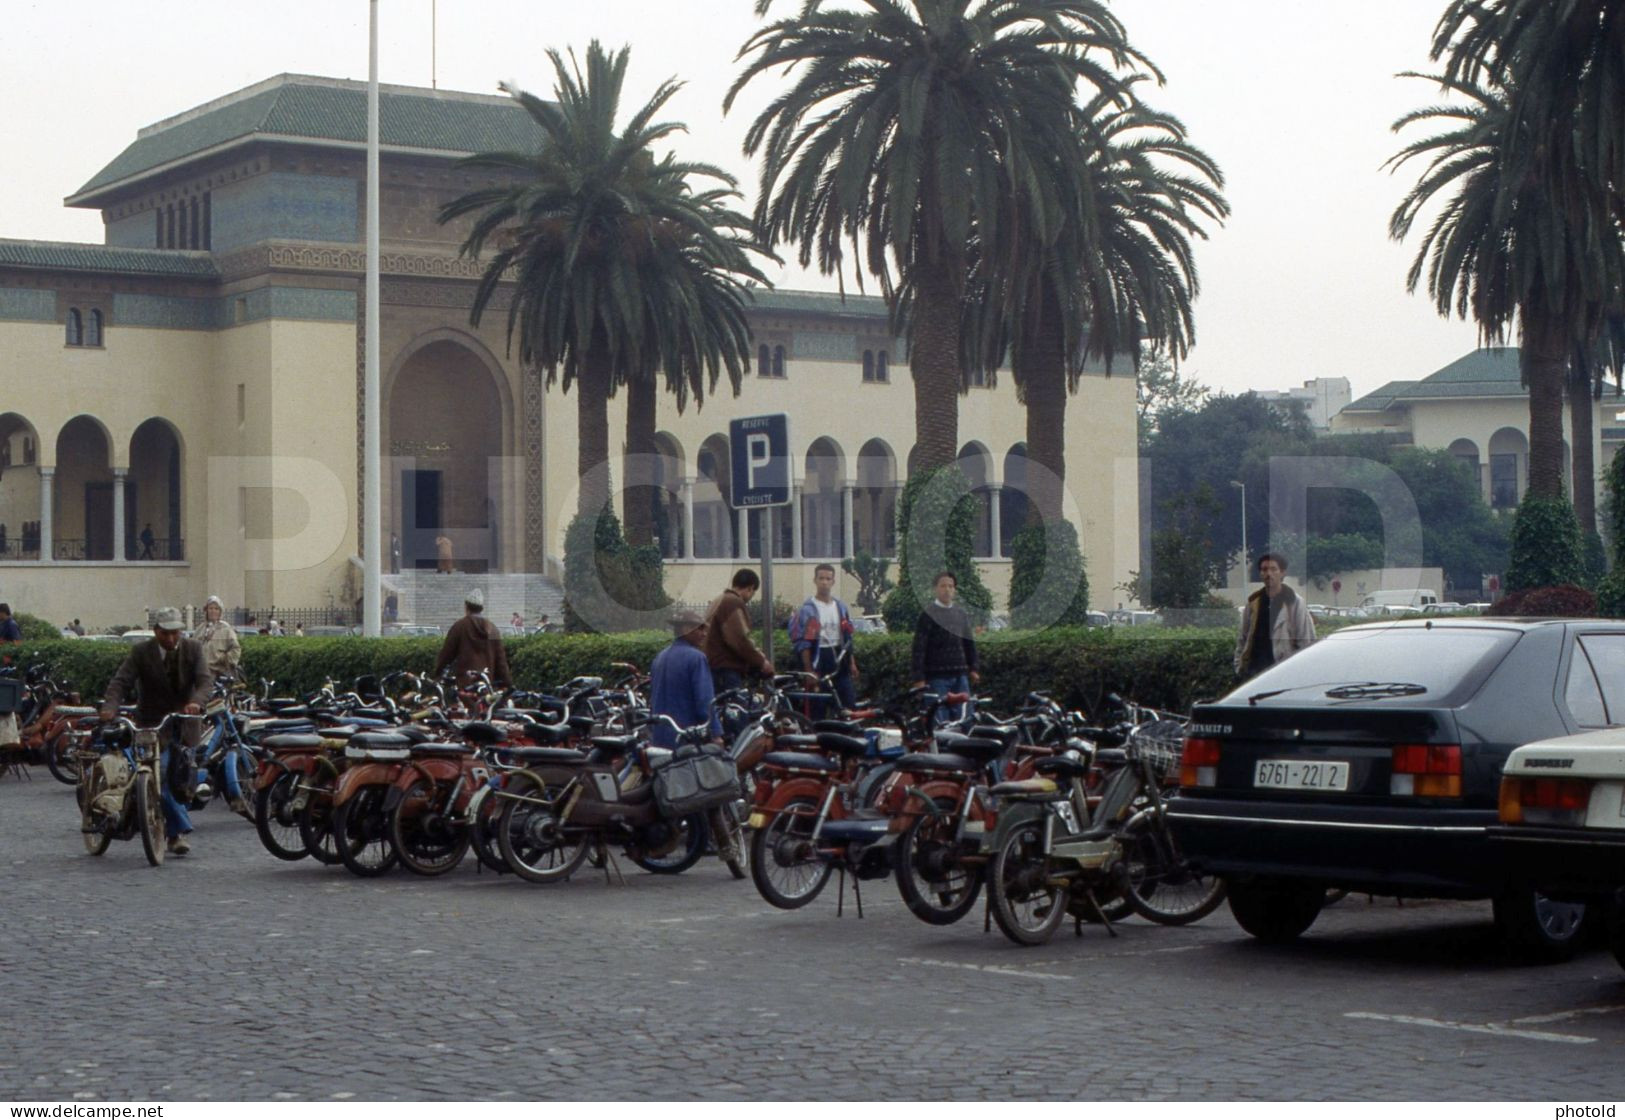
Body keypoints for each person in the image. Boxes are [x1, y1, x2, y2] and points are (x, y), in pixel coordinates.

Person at [100, 607, 212, 855]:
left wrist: (196, 702)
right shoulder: (142, 652)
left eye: (175, 633)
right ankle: (178, 831)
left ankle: (171, 828)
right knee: (158, 773)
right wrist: (110, 707)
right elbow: (121, 681)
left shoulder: (193, 649)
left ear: (181, 631)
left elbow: (205, 681)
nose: (171, 639)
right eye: (165, 634)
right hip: (152, 723)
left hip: (184, 722)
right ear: (156, 631)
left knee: (180, 779)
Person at [788, 563, 859, 714]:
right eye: (821, 578)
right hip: (819, 658)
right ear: (815, 580)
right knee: (817, 706)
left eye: (828, 579)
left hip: (839, 657)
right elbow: (804, 643)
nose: (824, 582)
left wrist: (852, 662)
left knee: (848, 703)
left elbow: (847, 637)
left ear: (833, 581)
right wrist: (809, 670)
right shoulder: (808, 610)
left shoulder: (841, 607)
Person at [910, 572, 979, 725]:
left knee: (965, 718)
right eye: (943, 586)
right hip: (936, 678)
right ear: (935, 589)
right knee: (940, 721)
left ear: (955, 590)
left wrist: (974, 668)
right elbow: (919, 649)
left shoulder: (961, 614)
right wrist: (919, 679)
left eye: (950, 586)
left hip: (960, 676)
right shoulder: (928, 614)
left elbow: (969, 643)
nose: (947, 590)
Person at [1234, 552, 1316, 680]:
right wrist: (1239, 666)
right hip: (1254, 674)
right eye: (1264, 569)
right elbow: (1243, 638)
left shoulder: (1294, 602)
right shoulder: (1253, 603)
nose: (1268, 574)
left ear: (1282, 573)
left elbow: (1305, 641)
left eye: (1273, 569)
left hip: (1282, 673)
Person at [648, 608, 721, 748]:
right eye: (700, 629)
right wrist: (715, 733)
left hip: (659, 737)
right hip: (685, 737)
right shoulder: (696, 658)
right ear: (686, 629)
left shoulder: (660, 657)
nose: (704, 634)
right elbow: (705, 702)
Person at [704, 568, 774, 692]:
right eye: (753, 592)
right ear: (750, 588)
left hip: (713, 667)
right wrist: (761, 661)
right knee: (735, 707)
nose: (751, 596)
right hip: (726, 669)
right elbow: (739, 639)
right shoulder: (732, 602)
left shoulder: (719, 600)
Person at [434, 588, 512, 688]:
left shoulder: (460, 626)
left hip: (465, 684)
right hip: (486, 683)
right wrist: (508, 684)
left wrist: (437, 674)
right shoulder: (492, 629)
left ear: (466, 607)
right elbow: (501, 661)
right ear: (481, 608)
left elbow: (446, 654)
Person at [192, 595, 242, 679]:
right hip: (200, 673)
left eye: (216, 609)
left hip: (218, 673)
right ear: (206, 610)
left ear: (220, 611)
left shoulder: (226, 629)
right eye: (210, 608)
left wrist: (224, 659)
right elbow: (192, 648)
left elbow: (236, 649)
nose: (213, 611)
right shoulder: (200, 629)